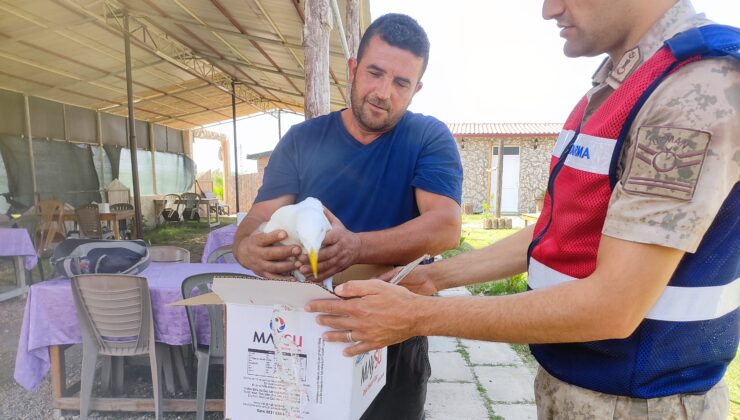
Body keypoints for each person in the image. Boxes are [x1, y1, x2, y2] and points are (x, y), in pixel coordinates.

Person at [306, 0, 739, 418]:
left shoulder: (691, 93)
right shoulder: (621, 86)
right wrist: (433, 278)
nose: (548, 10)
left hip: (641, 402)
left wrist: (416, 316)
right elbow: (557, 231)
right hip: (581, 383)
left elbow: (614, 306)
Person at [233, 13, 463, 420]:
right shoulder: (302, 140)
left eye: (401, 83)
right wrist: (246, 248)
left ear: (416, 90)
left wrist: (356, 246)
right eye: (375, 73)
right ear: (353, 69)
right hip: (309, 329)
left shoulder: (427, 137)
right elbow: (257, 220)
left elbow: (445, 227)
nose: (383, 92)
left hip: (394, 330)